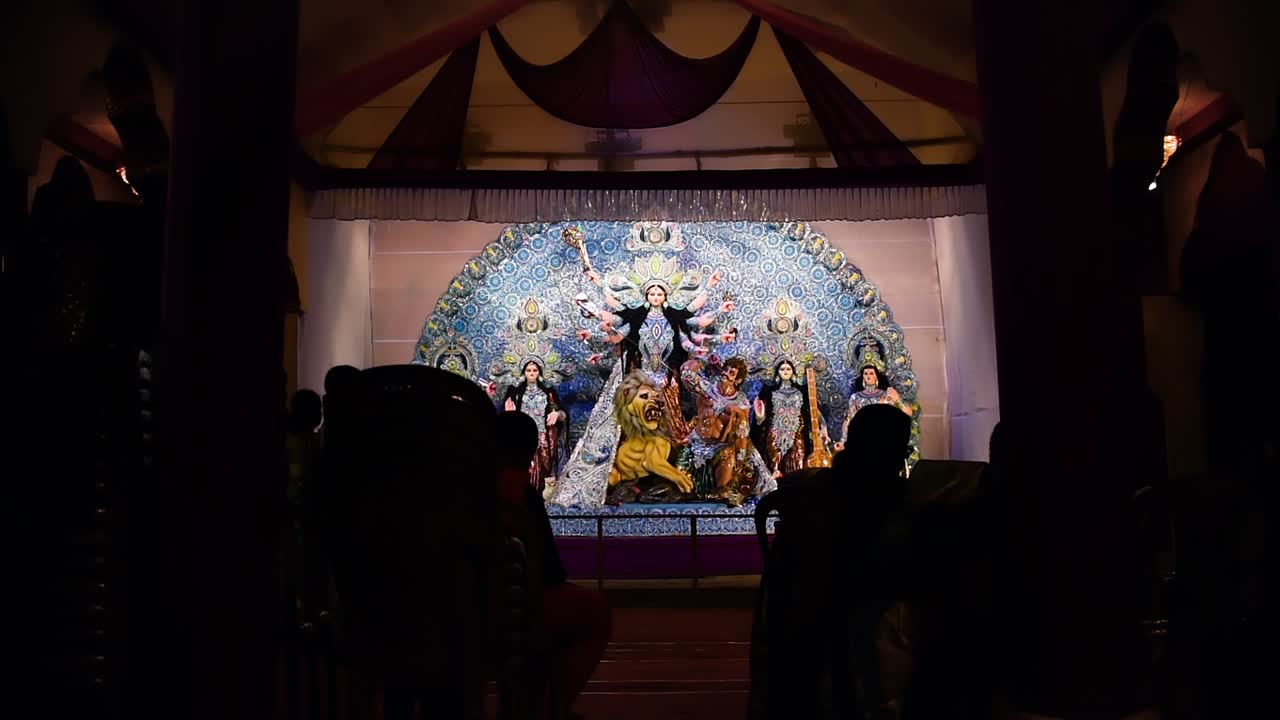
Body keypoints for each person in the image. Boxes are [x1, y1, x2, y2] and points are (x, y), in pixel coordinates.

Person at [749, 403, 914, 719]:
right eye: (900, 451)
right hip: (844, 653)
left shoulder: (815, 495)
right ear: (887, 453)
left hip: (798, 654)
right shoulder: (880, 503)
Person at [495, 411, 611, 715]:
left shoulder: (472, 489)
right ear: (531, 452)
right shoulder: (524, 498)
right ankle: (548, 706)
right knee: (592, 612)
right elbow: (551, 573)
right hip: (512, 616)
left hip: (464, 609)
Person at [681, 356, 774, 505]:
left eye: (731, 373)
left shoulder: (741, 404)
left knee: (729, 456)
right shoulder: (706, 388)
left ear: (737, 380)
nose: (725, 373)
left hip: (720, 447)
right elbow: (685, 374)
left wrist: (740, 459)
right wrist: (702, 360)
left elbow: (742, 434)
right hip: (695, 444)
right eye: (725, 369)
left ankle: (722, 491)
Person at [752, 359, 829, 478]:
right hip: (774, 433)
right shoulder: (769, 392)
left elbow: (813, 410)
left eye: (788, 369)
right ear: (777, 373)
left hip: (797, 432)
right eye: (782, 369)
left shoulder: (801, 391)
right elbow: (761, 418)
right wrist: (760, 417)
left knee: (796, 462)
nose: (785, 371)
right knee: (773, 465)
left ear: (793, 372)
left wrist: (823, 427)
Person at [501, 360, 568, 492]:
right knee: (525, 467)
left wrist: (557, 414)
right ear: (524, 373)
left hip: (545, 438)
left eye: (535, 370)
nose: (532, 373)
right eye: (529, 370)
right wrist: (510, 415)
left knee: (545, 469)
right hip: (523, 436)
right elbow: (506, 418)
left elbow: (563, 414)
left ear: (539, 373)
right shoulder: (515, 393)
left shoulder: (548, 393)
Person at [835, 362, 912, 452]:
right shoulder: (855, 397)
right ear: (862, 376)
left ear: (876, 376)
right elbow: (848, 420)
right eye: (865, 373)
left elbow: (908, 412)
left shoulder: (886, 395)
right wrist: (843, 440)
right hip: (862, 439)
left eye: (871, 373)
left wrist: (897, 399)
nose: (868, 376)